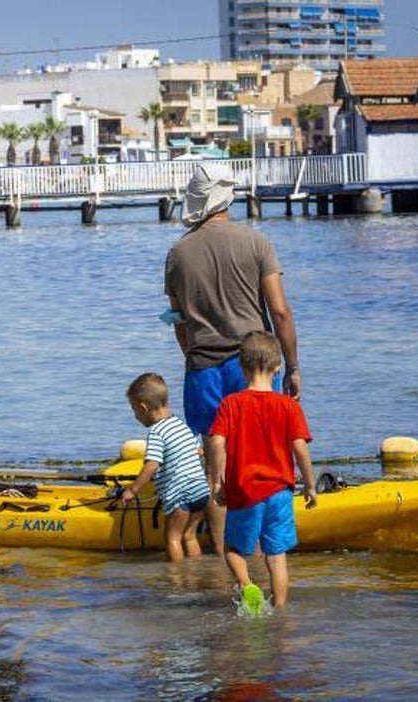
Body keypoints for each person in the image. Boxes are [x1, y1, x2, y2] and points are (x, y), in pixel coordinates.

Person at [164, 162, 301, 555]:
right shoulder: (257, 243)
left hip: (203, 368)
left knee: (215, 467)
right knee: (259, 460)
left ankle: (227, 562)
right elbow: (280, 313)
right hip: (254, 366)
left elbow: (179, 322)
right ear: (228, 198)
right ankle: (262, 554)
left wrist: (192, 355)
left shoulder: (178, 253)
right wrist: (291, 367)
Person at [208, 331, 317, 614]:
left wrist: (217, 481)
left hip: (245, 491)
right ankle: (279, 613)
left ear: (242, 367)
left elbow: (217, 443)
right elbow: (300, 449)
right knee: (277, 557)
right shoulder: (288, 406)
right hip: (280, 492)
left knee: (232, 548)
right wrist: (310, 484)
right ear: (278, 366)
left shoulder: (230, 405)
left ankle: (247, 587)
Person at [120, 373, 212, 562]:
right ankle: (195, 573)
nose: (136, 416)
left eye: (135, 411)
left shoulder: (156, 432)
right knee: (189, 536)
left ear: (144, 408)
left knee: (172, 538)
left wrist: (132, 490)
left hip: (180, 494)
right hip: (201, 490)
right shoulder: (181, 425)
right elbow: (200, 452)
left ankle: (176, 582)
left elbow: (152, 465)